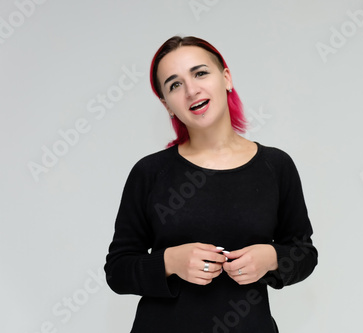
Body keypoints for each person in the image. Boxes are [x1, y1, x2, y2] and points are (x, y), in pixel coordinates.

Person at [104, 35, 318, 332]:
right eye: (175, 84)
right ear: (167, 104)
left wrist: (272, 258)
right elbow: (117, 270)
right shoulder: (150, 172)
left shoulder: (275, 166)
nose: (191, 90)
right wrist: (170, 261)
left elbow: (304, 254)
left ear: (226, 78)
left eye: (200, 73)